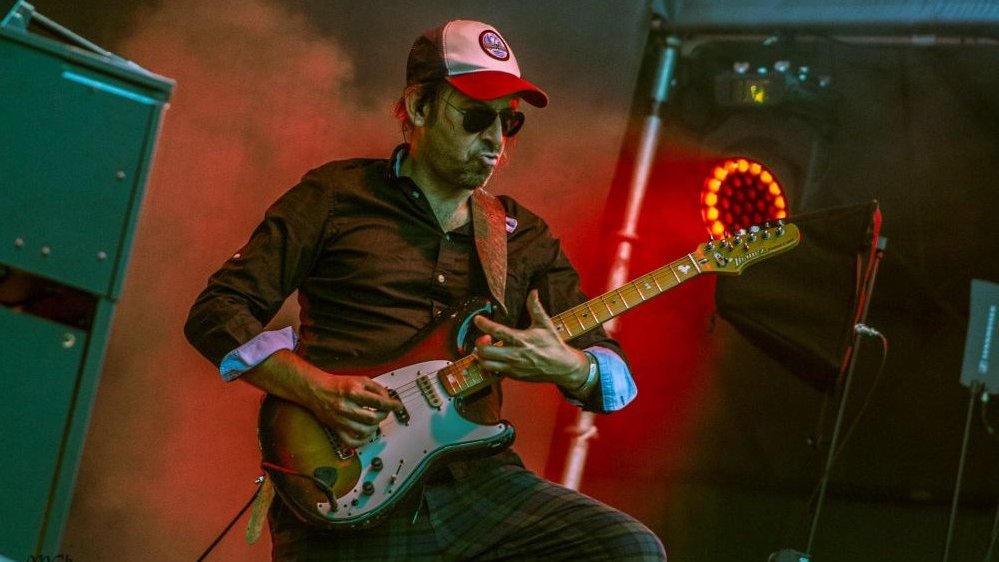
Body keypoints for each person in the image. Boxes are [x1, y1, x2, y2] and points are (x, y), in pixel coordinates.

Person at [185, 18, 666, 561]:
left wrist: (571, 368)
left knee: (627, 550)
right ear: (418, 107)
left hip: (475, 483)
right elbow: (217, 312)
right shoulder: (335, 195)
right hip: (347, 481)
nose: (495, 141)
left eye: (509, 123)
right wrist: (315, 387)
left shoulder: (521, 236)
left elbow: (615, 376)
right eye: (477, 117)